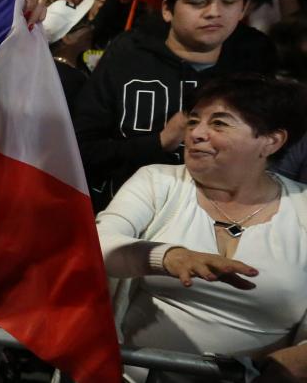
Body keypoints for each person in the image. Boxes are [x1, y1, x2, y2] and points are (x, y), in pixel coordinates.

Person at [96, 75, 307, 382]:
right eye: (194, 121)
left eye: (219, 123)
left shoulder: (302, 208)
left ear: (271, 141)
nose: (196, 133)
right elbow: (98, 244)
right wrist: (168, 257)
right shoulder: (158, 181)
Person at [75, 0, 278, 209]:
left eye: (228, 1)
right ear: (168, 9)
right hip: (127, 218)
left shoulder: (256, 61)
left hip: (223, 221)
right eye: (197, 1)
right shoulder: (127, 55)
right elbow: (80, 150)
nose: (214, 12)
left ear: (243, 8)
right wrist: (159, 142)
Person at [42, 0, 95, 118]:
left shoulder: (74, 66)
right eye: (83, 24)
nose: (90, 28)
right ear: (66, 38)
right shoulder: (63, 78)